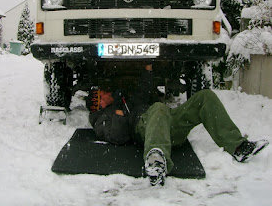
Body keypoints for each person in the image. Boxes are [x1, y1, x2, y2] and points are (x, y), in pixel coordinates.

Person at [89, 64, 269, 186]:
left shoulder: (126, 99)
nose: (106, 92)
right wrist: (119, 111)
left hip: (168, 123)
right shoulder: (101, 117)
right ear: (98, 103)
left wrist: (147, 70)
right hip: (145, 128)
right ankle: (157, 161)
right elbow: (119, 136)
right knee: (158, 108)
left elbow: (143, 94)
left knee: (205, 97)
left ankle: (238, 147)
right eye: (102, 94)